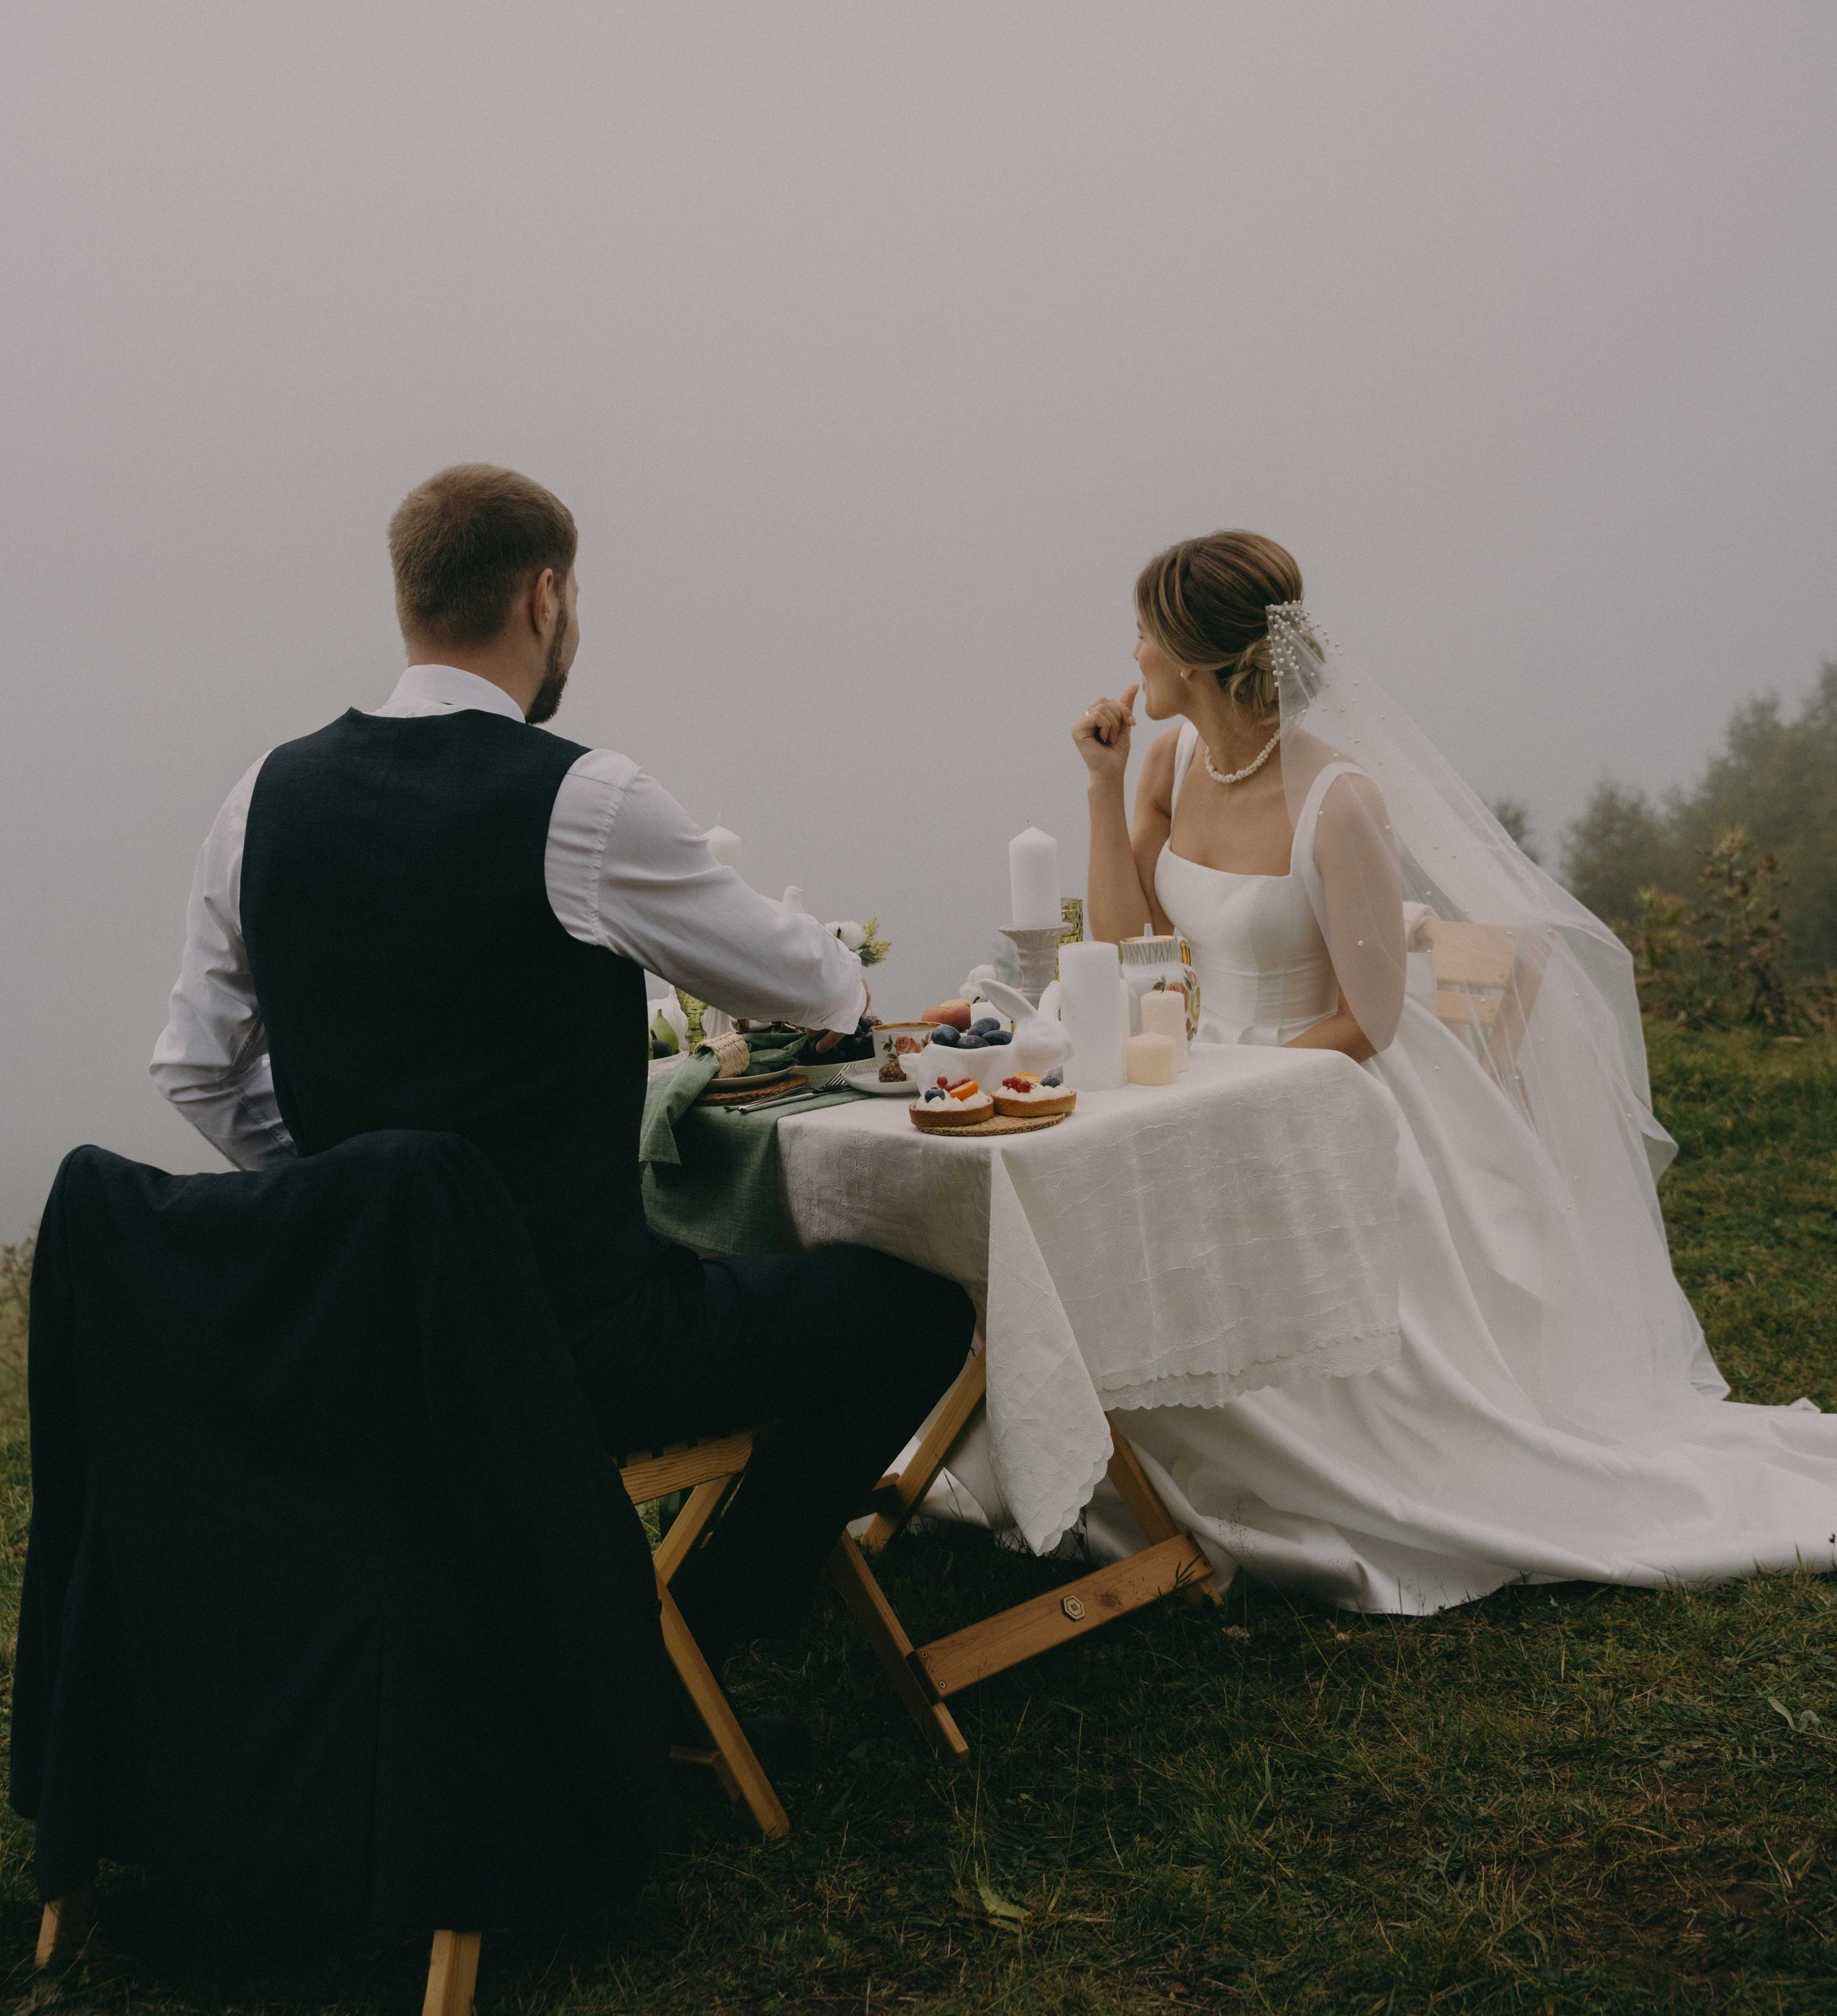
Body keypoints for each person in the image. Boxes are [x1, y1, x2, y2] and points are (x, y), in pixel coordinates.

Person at [153, 462, 972, 1690]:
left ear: (411, 600)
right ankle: (701, 1625)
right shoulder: (580, 800)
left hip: (373, 1339)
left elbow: (197, 1072)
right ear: (544, 597)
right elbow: (797, 980)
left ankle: (634, 1630)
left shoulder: (258, 797)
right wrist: (861, 998)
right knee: (916, 1310)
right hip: (576, 1350)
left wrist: (369, 1206)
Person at [1052, 529, 1837, 1612]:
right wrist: (1102, 792)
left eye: (1143, 630)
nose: (1129, 650)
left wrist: (1230, 1093)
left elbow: (1370, 1021)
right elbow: (1131, 941)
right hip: (1202, 1075)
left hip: (1327, 1088)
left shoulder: (1339, 800)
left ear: (1191, 659)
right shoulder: (1168, 761)